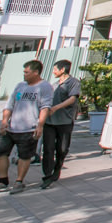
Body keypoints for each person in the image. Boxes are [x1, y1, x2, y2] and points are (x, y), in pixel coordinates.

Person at [0, 60, 52, 194]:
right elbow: (9, 105)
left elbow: (45, 107)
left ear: (36, 72)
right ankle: (2, 181)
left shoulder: (44, 87)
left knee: (24, 156)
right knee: (0, 153)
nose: (24, 75)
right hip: (11, 127)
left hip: (29, 128)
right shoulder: (20, 86)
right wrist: (4, 121)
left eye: (27, 72)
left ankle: (19, 181)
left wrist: (40, 125)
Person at [40, 59, 81, 189]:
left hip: (65, 121)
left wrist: (56, 108)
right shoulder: (54, 84)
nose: (53, 72)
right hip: (50, 122)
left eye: (55, 69)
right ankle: (47, 175)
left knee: (62, 149)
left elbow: (72, 99)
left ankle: (58, 167)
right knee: (48, 148)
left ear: (62, 69)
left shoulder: (74, 83)